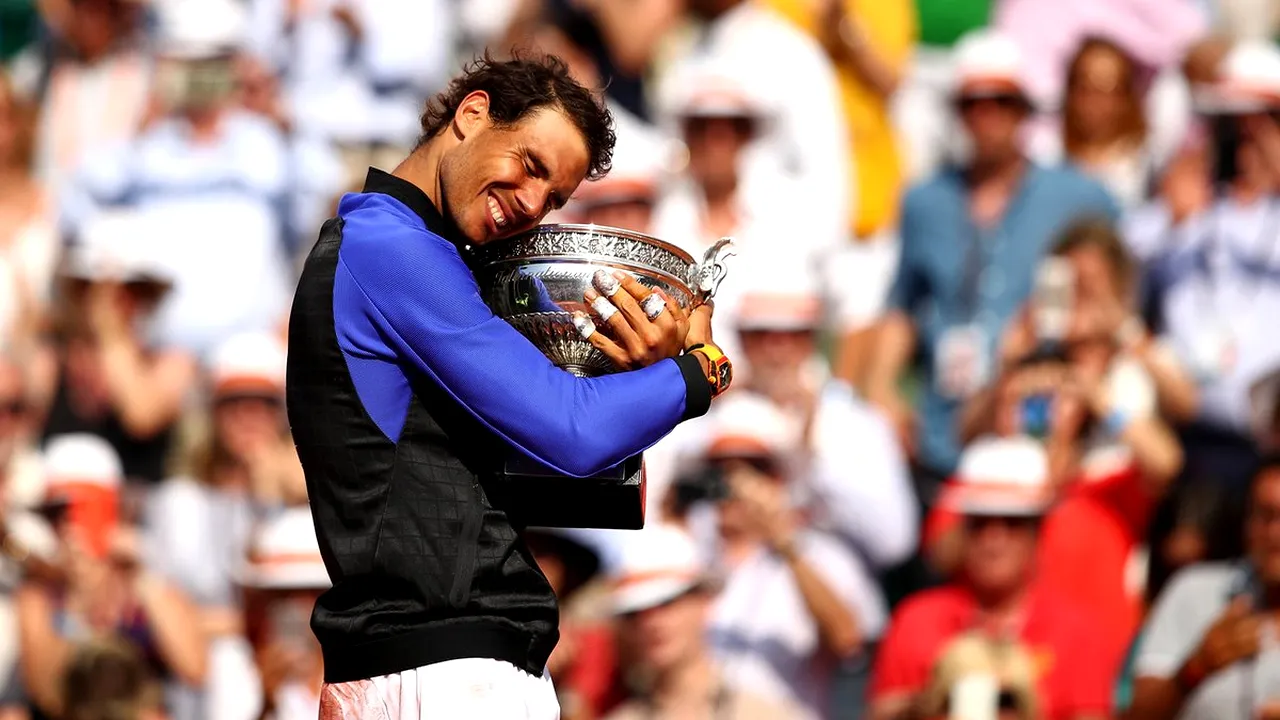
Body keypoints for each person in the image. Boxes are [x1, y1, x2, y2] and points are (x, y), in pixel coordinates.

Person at [286, 53, 733, 719]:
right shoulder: (392, 247)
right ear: (472, 114)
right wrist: (700, 372)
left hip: (424, 668)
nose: (532, 203)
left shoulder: (407, 254)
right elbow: (574, 432)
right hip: (441, 675)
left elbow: (554, 474)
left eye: (554, 197)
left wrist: (638, 379)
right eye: (529, 164)